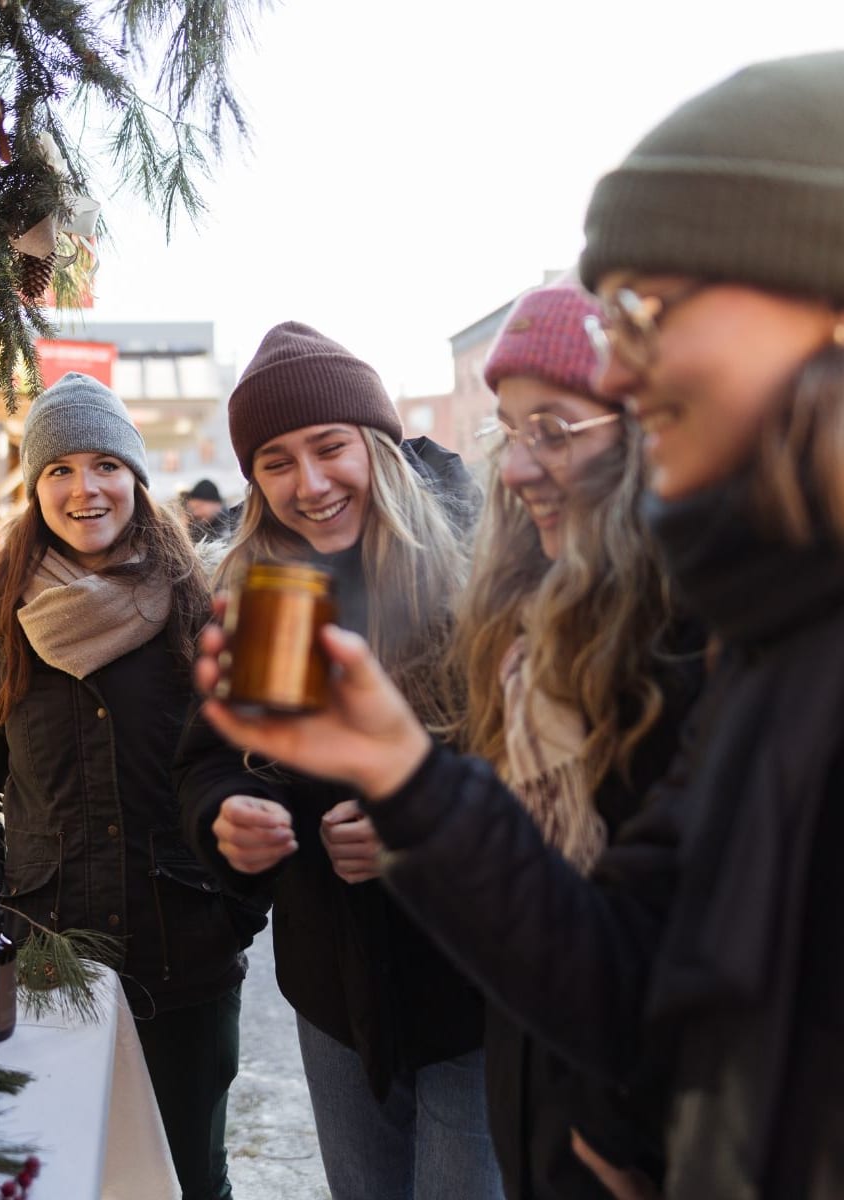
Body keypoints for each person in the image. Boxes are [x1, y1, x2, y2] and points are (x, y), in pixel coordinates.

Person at [189, 53, 844, 1200]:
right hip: (373, 1011)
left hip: (455, 1024)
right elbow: (635, 973)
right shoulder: (769, 634)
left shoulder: (703, 620)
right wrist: (395, 775)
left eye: (647, 309)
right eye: (273, 463)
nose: (621, 368)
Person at [176, 322, 503, 1200]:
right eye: (276, 462)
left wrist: (418, 828)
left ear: (378, 446)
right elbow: (213, 762)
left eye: (329, 448)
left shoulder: (476, 571)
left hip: (475, 990)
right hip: (334, 992)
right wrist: (226, 816)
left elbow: (543, 775)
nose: (309, 484)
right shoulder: (268, 593)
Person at [0, 372, 251, 1200]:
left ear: (136, 477)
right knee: (68, 1179)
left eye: (106, 464)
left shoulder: (196, 608)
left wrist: (235, 913)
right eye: (60, 469)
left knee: (189, 1180)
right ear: (36, 488)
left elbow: (249, 766)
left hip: (184, 958)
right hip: (50, 964)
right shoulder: (1, 621)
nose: (86, 489)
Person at [462, 283, 703, 1198]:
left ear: (640, 428)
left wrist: (629, 1129)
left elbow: (690, 932)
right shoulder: (519, 636)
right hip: (533, 1095)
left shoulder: (694, 636)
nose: (519, 469)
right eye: (509, 434)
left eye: (554, 431)